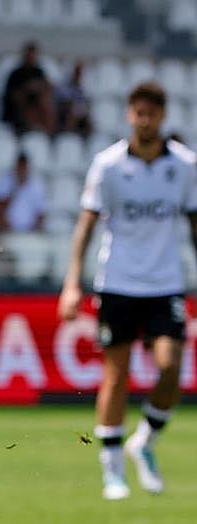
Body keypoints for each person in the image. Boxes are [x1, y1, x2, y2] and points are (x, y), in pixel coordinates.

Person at [58, 81, 196, 500]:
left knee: (171, 367)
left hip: (165, 283)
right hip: (117, 283)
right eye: (139, 112)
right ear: (129, 115)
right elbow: (86, 227)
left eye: (152, 113)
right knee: (116, 376)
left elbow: (194, 226)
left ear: (162, 115)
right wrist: (72, 283)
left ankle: (145, 442)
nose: (145, 119)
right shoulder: (108, 165)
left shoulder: (186, 166)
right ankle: (112, 469)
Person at [1, 41, 56, 135]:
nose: (31, 57)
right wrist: (27, 89)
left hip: (36, 104)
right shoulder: (16, 74)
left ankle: (48, 130)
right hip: (19, 109)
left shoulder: (39, 72)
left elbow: (47, 87)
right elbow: (11, 95)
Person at [0, 152, 47, 232]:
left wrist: (34, 229)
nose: (22, 170)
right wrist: (15, 189)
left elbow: (40, 212)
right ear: (16, 166)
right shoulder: (5, 182)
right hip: (7, 229)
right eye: (20, 167)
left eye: (24, 167)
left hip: (29, 232)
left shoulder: (37, 186)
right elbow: (0, 208)